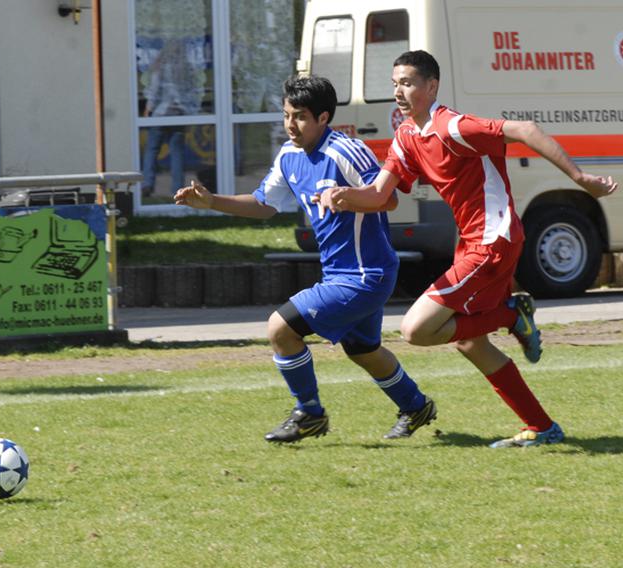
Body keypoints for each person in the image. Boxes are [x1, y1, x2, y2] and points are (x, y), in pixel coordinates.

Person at [319, 50, 618, 448]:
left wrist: (581, 178)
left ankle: (511, 313)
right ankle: (542, 427)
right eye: (394, 84)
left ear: (431, 86)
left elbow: (526, 129)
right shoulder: (408, 135)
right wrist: (343, 196)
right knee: (469, 341)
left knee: (415, 330)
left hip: (494, 241)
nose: (399, 92)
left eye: (407, 83)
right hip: (473, 244)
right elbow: (377, 194)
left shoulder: (453, 127)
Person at [174, 75, 437, 443]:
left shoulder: (347, 151)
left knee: (281, 329)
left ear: (323, 118)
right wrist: (211, 201)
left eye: (299, 117)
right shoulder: (290, 155)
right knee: (363, 349)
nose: (290, 125)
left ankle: (309, 413)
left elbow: (388, 199)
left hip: (365, 275)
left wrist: (347, 196)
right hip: (340, 274)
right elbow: (264, 205)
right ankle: (415, 405)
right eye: (286, 115)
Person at [140, 40, 202, 197]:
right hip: (179, 113)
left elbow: (154, 90)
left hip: (161, 113)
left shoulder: (160, 66)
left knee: (152, 150)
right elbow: (192, 91)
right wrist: (190, 112)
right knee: (177, 152)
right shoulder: (186, 68)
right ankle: (177, 189)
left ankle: (148, 183)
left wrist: (148, 108)